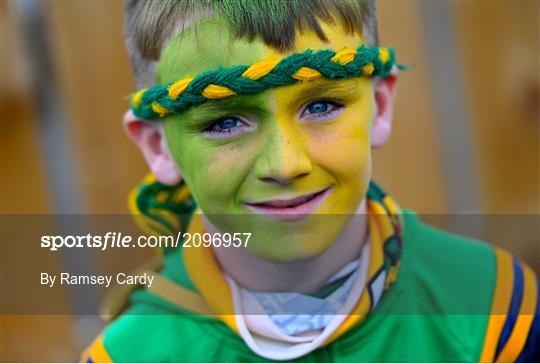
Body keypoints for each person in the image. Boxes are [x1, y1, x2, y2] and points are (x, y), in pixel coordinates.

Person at [82, 0, 538, 362]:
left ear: (379, 105)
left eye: (320, 107)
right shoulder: (130, 355)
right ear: (159, 147)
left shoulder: (493, 305)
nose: (284, 164)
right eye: (225, 122)